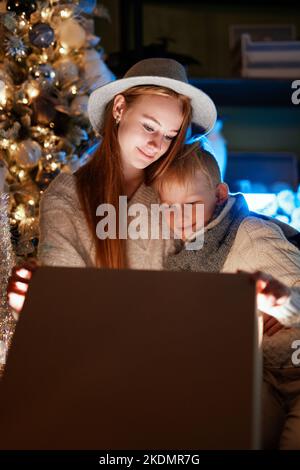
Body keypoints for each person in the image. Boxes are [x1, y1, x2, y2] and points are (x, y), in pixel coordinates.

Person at [152, 142, 300, 449]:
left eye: (191, 204)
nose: (179, 217)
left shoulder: (251, 234)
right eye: (168, 207)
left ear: (219, 195)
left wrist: (283, 301)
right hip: (266, 379)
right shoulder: (187, 249)